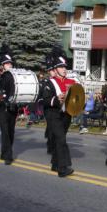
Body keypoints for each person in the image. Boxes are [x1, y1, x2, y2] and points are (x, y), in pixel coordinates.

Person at [42, 47, 75, 177]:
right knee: (61, 139)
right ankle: (63, 168)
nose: (64, 69)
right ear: (55, 70)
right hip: (53, 114)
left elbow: (76, 98)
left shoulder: (71, 82)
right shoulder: (49, 83)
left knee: (59, 139)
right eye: (61, 67)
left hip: (66, 114)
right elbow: (44, 100)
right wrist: (56, 99)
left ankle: (55, 164)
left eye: (65, 67)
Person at [0, 48, 18, 165]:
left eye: (10, 63)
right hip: (2, 108)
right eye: (7, 63)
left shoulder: (15, 78)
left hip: (13, 108)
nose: (9, 65)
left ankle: (4, 153)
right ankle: (8, 156)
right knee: (5, 131)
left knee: (11, 131)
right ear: (3, 65)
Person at [37, 57, 56, 154]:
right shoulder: (45, 83)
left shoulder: (58, 82)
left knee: (54, 128)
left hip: (57, 108)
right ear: (49, 71)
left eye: (54, 70)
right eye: (52, 70)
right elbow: (40, 96)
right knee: (52, 127)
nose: (54, 72)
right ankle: (50, 145)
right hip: (48, 108)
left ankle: (52, 142)